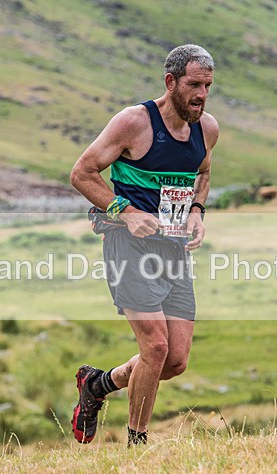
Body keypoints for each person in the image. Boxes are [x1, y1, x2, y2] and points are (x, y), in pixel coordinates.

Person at [69, 44, 219, 446]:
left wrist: (197, 211)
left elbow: (203, 172)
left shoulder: (207, 129)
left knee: (174, 361)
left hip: (172, 249)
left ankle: (97, 385)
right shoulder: (133, 122)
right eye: (193, 85)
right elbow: (82, 173)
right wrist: (127, 211)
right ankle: (138, 445)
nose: (201, 94)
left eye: (207, 85)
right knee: (154, 345)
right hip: (127, 244)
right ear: (170, 82)